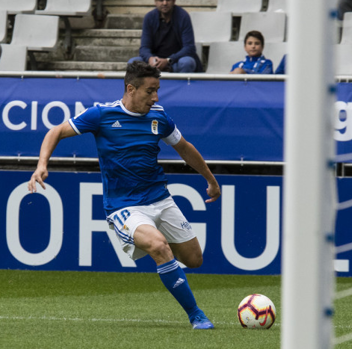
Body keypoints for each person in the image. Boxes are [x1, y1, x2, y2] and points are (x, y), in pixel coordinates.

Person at [28, 61, 220, 330]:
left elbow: (185, 148)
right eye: (150, 91)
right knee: (159, 246)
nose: (155, 97)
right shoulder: (101, 114)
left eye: (157, 91)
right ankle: (196, 315)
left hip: (160, 198)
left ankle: (169, 265)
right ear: (131, 88)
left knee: (194, 259)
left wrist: (210, 180)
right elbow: (56, 131)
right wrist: (42, 164)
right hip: (124, 205)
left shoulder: (159, 116)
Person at [128, 0, 203, 73]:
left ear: (174, 1)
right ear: (155, 2)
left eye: (168, 0)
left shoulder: (183, 16)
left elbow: (189, 48)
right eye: (161, 0)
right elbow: (144, 48)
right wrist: (150, 58)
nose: (164, 3)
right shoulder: (149, 17)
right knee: (132, 63)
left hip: (175, 62)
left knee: (187, 62)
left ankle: (181, 86)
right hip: (154, 63)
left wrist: (168, 60)